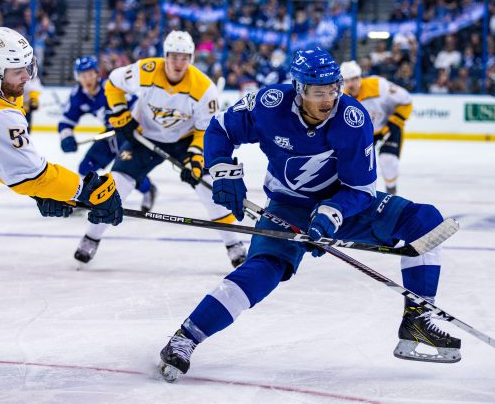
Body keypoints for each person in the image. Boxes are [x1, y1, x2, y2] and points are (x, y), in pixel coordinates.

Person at [158, 47, 460, 382]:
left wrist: (331, 213)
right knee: (262, 272)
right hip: (290, 205)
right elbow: (220, 129)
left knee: (426, 222)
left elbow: (360, 190)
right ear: (300, 90)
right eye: (320, 92)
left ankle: (418, 320)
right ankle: (187, 336)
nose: (329, 98)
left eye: (334, 88)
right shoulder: (269, 104)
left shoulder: (352, 118)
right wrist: (224, 170)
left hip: (345, 205)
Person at [0, 27, 123, 374]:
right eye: (17, 70)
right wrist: (86, 191)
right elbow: (31, 173)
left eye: (28, 66)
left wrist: (40, 191)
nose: (27, 76)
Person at [74, 31, 248, 268]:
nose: (178, 63)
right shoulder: (145, 70)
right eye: (174, 56)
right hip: (143, 136)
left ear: (192, 58)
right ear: (165, 56)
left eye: (184, 57)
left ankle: (233, 243)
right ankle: (91, 237)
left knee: (209, 188)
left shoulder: (204, 88)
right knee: (115, 185)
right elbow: (114, 84)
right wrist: (121, 113)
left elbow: (205, 130)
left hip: (185, 142)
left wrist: (195, 158)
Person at [58, 56, 157, 213]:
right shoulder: (78, 95)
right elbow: (66, 120)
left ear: (97, 74)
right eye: (83, 75)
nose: (87, 79)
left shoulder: (110, 87)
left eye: (90, 74)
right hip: (110, 135)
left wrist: (130, 125)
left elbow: (137, 104)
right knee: (86, 167)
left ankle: (148, 190)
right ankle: (85, 198)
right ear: (78, 77)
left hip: (130, 134)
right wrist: (66, 136)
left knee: (128, 171)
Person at [340, 60, 413, 194]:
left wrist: (395, 121)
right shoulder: (341, 96)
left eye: (355, 79)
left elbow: (406, 100)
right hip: (365, 133)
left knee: (388, 160)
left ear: (360, 77)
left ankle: (391, 193)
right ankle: (359, 195)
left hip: (388, 127)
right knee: (354, 165)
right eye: (347, 80)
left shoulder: (378, 85)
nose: (352, 84)